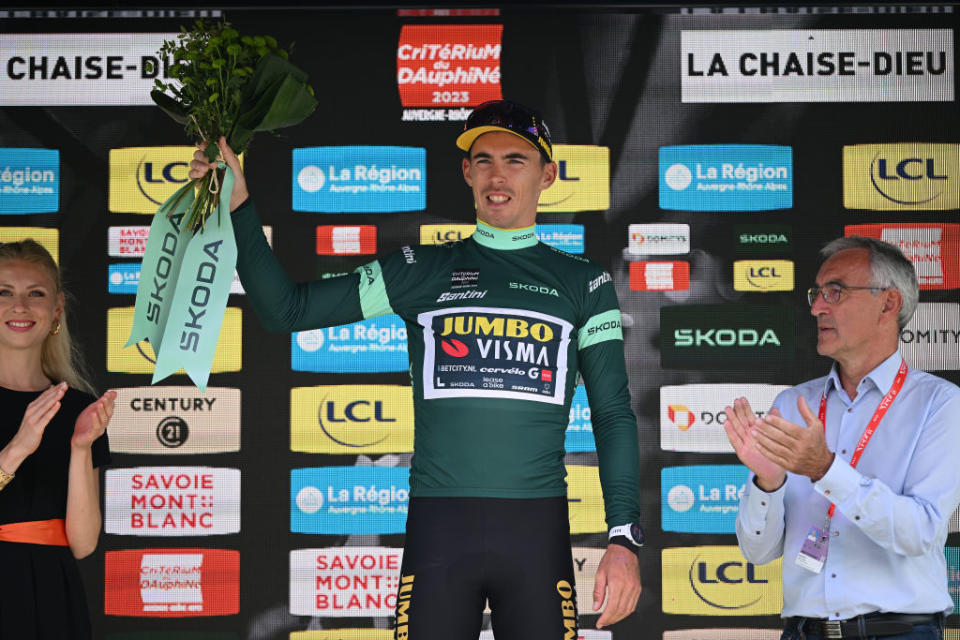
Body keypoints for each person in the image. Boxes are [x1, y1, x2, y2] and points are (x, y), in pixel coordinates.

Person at [190, 99, 645, 638]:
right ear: (466, 172)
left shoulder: (585, 284)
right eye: (483, 160)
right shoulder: (420, 270)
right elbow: (284, 308)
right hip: (439, 535)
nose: (496, 176)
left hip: (536, 535)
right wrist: (239, 204)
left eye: (515, 160)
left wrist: (623, 539)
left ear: (547, 175)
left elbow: (613, 413)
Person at [723, 236, 960, 640]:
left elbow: (919, 532)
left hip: (898, 633)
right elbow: (757, 553)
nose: (816, 307)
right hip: (803, 632)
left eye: (835, 292)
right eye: (816, 293)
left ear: (888, 304)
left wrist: (826, 469)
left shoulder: (940, 404)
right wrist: (768, 482)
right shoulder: (794, 401)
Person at [0, 240, 115, 639]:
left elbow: (82, 544)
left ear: (57, 310)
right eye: (4, 292)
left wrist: (81, 449)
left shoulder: (78, 408)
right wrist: (18, 448)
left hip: (53, 597)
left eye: (35, 293)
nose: (20, 306)